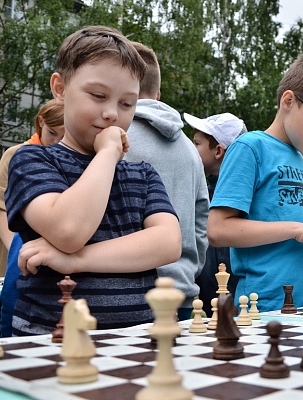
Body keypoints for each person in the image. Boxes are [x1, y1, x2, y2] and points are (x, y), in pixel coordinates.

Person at [4, 26, 181, 336]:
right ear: (60, 88)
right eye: (98, 96)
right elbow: (70, 229)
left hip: (137, 343)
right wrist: (109, 152)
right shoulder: (32, 160)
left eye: (127, 104)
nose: (112, 113)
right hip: (51, 343)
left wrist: (73, 261)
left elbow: (168, 243)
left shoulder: (143, 174)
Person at [207, 53, 303, 312]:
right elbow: (218, 230)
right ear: (289, 100)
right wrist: (298, 228)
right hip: (266, 305)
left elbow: (285, 217)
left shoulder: (302, 161)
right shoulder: (250, 148)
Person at [124, 42, 209, 321]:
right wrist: (187, 271)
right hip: (182, 294)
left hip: (122, 294)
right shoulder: (190, 149)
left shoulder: (113, 139)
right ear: (159, 94)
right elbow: (201, 226)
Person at [0, 99, 65, 279]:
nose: (56, 141)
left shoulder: (68, 159)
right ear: (41, 122)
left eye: (64, 136)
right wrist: (16, 250)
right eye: (52, 132)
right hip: (16, 252)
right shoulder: (16, 153)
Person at [185, 112, 247, 317]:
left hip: (242, 307)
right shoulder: (199, 192)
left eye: (196, 143)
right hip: (209, 304)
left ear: (218, 150)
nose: (191, 149)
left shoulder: (249, 196)